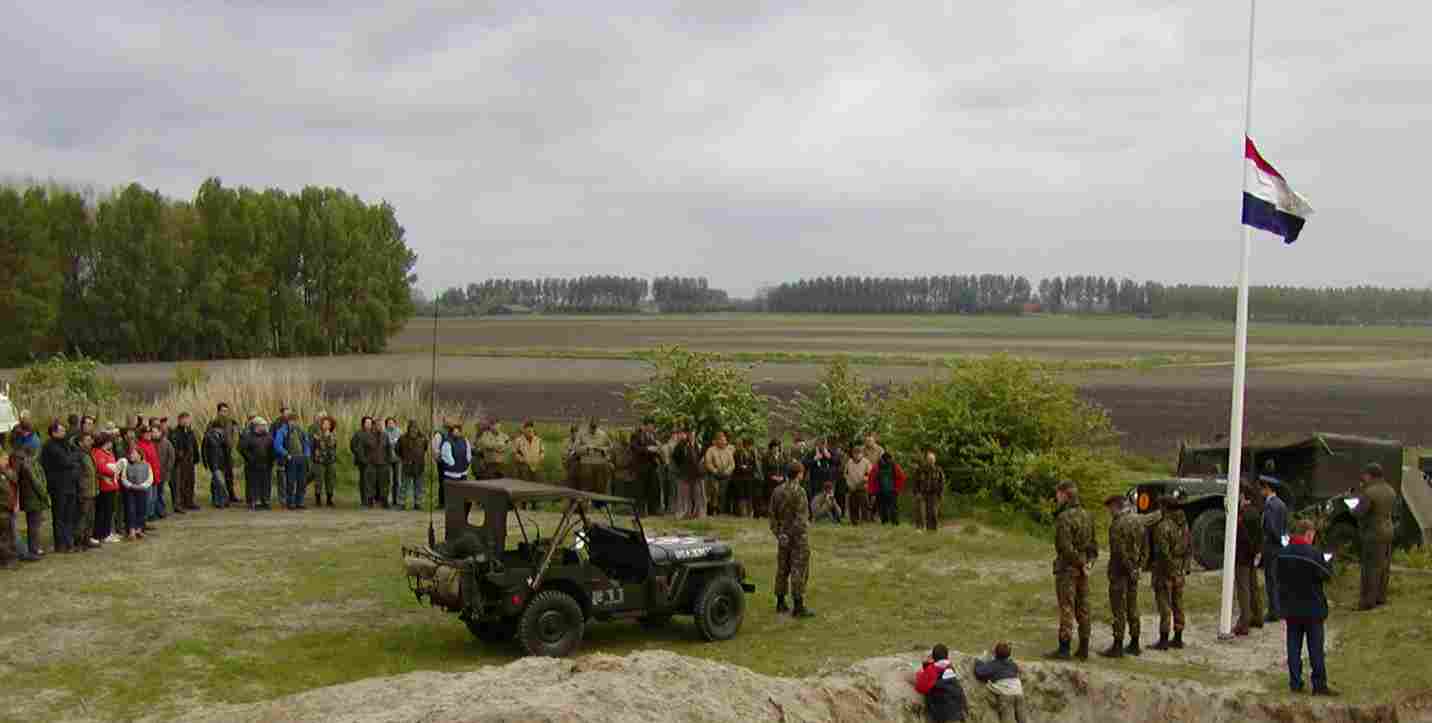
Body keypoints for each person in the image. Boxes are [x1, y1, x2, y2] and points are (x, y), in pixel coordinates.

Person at [1277, 518, 1338, 696]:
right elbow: (1326, 575)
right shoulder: (1314, 554)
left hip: (1291, 608)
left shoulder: (1283, 553)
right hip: (1312, 607)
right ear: (1309, 534)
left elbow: (1278, 578)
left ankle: (1295, 683)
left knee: (1293, 646)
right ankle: (1319, 684)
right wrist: (1329, 562)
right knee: (1315, 649)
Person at [1100, 494, 1156, 657]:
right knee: (1133, 606)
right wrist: (1139, 567)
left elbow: (1119, 552)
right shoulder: (1139, 521)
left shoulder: (1117, 525)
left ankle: (1117, 645)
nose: (1109, 511)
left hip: (1120, 572)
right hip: (1134, 573)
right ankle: (1134, 642)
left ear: (1115, 506)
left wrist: (1130, 568)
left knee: (1118, 609)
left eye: (1110, 508)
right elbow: (1146, 548)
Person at [1046, 481, 1096, 660]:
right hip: (1083, 569)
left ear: (1065, 495)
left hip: (1068, 569)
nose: (1056, 498)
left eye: (1058, 494)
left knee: (1067, 607)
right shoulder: (1088, 516)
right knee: (1083, 608)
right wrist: (1088, 562)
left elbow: (1064, 547)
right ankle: (1084, 648)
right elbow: (1093, 545)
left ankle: (1064, 648)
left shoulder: (1064, 518)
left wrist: (1079, 563)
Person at [1350, 462, 1398, 610]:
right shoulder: (1390, 490)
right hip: (1388, 531)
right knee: (1384, 566)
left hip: (1374, 533)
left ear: (1370, 475)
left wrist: (1352, 505)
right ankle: (1380, 598)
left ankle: (1367, 602)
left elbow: (1359, 512)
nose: (1363, 477)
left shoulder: (1369, 492)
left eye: (1365, 474)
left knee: (1370, 567)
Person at [770, 461, 813, 617]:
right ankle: (798, 606)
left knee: (782, 569)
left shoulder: (777, 491)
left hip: (782, 538)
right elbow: (801, 519)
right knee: (798, 569)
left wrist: (780, 535)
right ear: (799, 474)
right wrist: (790, 534)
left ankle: (780, 602)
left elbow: (772, 517)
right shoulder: (800, 492)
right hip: (797, 538)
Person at [1149, 494, 1191, 650]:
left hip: (1165, 572)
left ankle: (1164, 639)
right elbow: (1188, 548)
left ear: (1164, 508)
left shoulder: (1163, 526)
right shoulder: (1184, 525)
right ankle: (1178, 637)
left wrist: (1167, 570)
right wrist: (1184, 568)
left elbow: (1163, 553)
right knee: (1178, 604)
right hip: (1179, 571)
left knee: (1164, 605)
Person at [41, 421, 82, 553]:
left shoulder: (65, 445)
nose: (64, 433)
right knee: (59, 516)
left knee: (69, 515)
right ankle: (60, 544)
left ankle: (69, 542)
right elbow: (66, 461)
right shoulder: (50, 446)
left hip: (70, 484)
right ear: (53, 432)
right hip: (58, 486)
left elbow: (74, 457)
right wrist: (74, 458)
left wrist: (73, 458)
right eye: (62, 431)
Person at [1234, 486, 1265, 635]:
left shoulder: (1241, 514)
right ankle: (1257, 616)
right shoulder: (1256, 512)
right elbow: (1259, 534)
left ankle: (1244, 621)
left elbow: (1240, 536)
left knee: (1243, 589)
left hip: (1242, 556)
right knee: (1253, 587)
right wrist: (1257, 551)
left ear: (1243, 496)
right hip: (1253, 555)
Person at [913, 643, 967, 723]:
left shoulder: (931, 670)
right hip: (958, 710)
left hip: (944, 714)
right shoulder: (950, 668)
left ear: (933, 657)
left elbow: (920, 687)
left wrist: (925, 666)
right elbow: (939, 668)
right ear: (947, 656)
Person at [974, 642, 1025, 723]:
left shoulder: (993, 664)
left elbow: (979, 672)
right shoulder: (1012, 664)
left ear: (995, 653)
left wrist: (978, 661)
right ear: (1009, 654)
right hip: (1019, 693)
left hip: (1007, 695)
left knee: (1008, 719)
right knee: (1022, 719)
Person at [1260, 477, 1288, 621]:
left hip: (1271, 546)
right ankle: (1280, 609)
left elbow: (1271, 527)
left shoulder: (1270, 505)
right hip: (1280, 546)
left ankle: (1273, 611)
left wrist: (1273, 539)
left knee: (1271, 580)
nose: (1261, 491)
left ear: (1268, 488)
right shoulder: (1281, 504)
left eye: (1262, 488)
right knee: (1278, 579)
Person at [13, 443, 46, 560]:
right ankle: (34, 549)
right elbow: (35, 482)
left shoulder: (30, 464)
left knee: (35, 524)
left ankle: (35, 547)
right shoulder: (27, 465)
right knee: (34, 526)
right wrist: (44, 494)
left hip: (33, 498)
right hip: (32, 498)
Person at [275, 413, 312, 510]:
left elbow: (306, 443)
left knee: (302, 481)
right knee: (290, 482)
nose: (294, 423)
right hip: (290, 459)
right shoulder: (282, 431)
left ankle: (299, 502)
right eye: (292, 421)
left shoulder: (301, 430)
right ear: (288, 421)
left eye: (296, 421)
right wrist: (286, 454)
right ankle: (290, 502)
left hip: (302, 458)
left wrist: (306, 455)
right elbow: (277, 445)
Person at [92, 433, 122, 544]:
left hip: (112, 485)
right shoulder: (98, 453)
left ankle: (107, 532)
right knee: (104, 511)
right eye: (110, 441)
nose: (111, 444)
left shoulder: (108, 453)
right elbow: (101, 468)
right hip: (105, 486)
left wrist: (116, 469)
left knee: (109, 511)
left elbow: (114, 464)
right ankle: (102, 534)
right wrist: (114, 470)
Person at [628, 418, 662, 516]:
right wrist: (648, 449)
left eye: (653, 425)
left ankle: (653, 509)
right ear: (646, 425)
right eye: (651, 425)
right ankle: (640, 510)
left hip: (652, 466)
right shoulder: (636, 435)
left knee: (653, 488)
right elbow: (634, 448)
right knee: (640, 489)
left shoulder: (653, 436)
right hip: (640, 466)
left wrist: (658, 451)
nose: (653, 427)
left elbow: (656, 448)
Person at [240, 417, 275, 510]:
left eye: (265, 425)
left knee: (266, 483)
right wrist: (250, 459)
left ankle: (265, 501)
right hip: (253, 465)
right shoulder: (248, 436)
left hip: (266, 464)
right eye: (262, 425)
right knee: (254, 483)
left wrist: (272, 460)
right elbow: (242, 449)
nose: (265, 427)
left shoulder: (268, 436)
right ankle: (255, 501)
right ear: (256, 426)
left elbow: (272, 449)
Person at [170, 412, 201, 513]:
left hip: (190, 460)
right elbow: (175, 446)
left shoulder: (190, 432)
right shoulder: (175, 432)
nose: (187, 421)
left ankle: (189, 501)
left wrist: (196, 457)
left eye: (188, 419)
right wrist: (179, 456)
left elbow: (194, 444)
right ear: (179, 420)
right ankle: (179, 504)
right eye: (184, 419)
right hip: (180, 461)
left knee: (190, 481)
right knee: (180, 483)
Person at [573, 418, 612, 494]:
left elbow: (610, 447)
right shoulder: (581, 434)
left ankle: (599, 504)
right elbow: (575, 448)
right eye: (591, 428)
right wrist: (586, 448)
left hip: (600, 464)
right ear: (589, 426)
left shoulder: (603, 434)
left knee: (600, 488)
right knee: (586, 487)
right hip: (586, 464)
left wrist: (603, 449)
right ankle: (585, 504)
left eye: (595, 428)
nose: (593, 430)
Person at [866, 451, 906, 526]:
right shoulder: (890, 465)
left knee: (888, 508)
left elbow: (902, 477)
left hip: (887, 491)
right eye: (889, 459)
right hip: (885, 491)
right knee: (887, 508)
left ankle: (890, 523)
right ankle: (890, 523)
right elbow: (871, 479)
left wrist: (897, 489)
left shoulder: (883, 466)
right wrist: (872, 492)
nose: (890, 461)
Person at [671, 429, 703, 520]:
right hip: (684, 473)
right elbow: (675, 457)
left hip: (696, 473)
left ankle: (696, 513)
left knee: (696, 494)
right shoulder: (681, 445)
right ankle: (683, 512)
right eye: (690, 434)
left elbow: (699, 457)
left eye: (693, 434)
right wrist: (681, 467)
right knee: (684, 495)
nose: (691, 435)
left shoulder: (697, 445)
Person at [120, 446, 151, 540]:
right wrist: (130, 486)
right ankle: (131, 531)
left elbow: (150, 478)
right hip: (130, 491)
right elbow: (123, 478)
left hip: (142, 491)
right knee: (131, 510)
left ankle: (139, 530)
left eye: (133, 454)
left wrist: (142, 486)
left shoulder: (146, 465)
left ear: (139, 455)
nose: (131, 455)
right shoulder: (127, 465)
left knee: (141, 509)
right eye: (130, 454)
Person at [702, 431, 735, 518]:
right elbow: (708, 462)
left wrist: (727, 471)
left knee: (722, 493)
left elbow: (732, 464)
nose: (724, 442)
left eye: (725, 440)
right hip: (714, 475)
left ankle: (720, 511)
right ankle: (711, 510)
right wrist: (715, 471)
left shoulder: (728, 451)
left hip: (725, 475)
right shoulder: (711, 450)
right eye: (722, 440)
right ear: (717, 441)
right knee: (714, 492)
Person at [397, 420, 429, 511]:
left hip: (419, 465)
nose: (414, 429)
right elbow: (397, 449)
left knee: (418, 486)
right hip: (407, 465)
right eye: (412, 427)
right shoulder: (402, 438)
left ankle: (418, 503)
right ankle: (402, 503)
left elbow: (425, 448)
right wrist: (404, 458)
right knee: (404, 485)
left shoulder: (423, 438)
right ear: (408, 428)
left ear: (418, 428)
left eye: (415, 427)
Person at [912, 450, 946, 532]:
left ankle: (932, 530)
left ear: (934, 460)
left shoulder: (938, 470)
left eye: (932, 460)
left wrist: (940, 494)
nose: (931, 462)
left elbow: (942, 483)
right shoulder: (920, 470)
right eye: (929, 460)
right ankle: (919, 529)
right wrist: (916, 493)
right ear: (926, 460)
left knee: (933, 513)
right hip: (922, 494)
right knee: (921, 512)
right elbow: (915, 482)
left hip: (934, 494)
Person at [201, 419, 232, 509]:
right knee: (220, 482)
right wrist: (205, 463)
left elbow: (227, 450)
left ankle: (216, 500)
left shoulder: (223, 436)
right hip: (213, 463)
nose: (221, 430)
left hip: (222, 462)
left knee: (215, 482)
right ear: (215, 428)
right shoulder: (208, 436)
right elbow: (204, 450)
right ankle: (224, 500)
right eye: (219, 429)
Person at [214, 403, 241, 504]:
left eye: (226, 411)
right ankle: (219, 498)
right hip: (219, 453)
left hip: (228, 452)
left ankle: (231, 495)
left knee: (230, 475)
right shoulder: (214, 423)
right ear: (218, 412)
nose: (225, 413)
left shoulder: (231, 422)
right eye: (223, 411)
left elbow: (237, 432)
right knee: (218, 477)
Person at [76, 432, 99, 548]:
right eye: (88, 440)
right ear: (80, 443)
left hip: (93, 490)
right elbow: (78, 476)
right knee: (82, 518)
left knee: (91, 517)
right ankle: (79, 540)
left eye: (91, 440)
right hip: (84, 492)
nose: (91, 442)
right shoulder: (79, 456)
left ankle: (87, 538)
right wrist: (81, 490)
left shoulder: (89, 454)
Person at [311, 417, 339, 508]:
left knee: (330, 480)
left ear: (331, 426)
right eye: (324, 423)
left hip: (331, 461)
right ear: (321, 425)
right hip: (319, 461)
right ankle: (318, 499)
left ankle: (329, 499)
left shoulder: (334, 435)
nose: (326, 425)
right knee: (318, 481)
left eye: (328, 424)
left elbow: (334, 447)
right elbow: (313, 447)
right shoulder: (317, 435)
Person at [362, 416, 389, 508]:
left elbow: (389, 449)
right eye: (378, 425)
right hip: (371, 463)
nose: (380, 427)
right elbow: (362, 449)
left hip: (383, 463)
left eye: (381, 425)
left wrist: (388, 460)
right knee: (370, 483)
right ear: (374, 426)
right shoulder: (368, 436)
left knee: (384, 483)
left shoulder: (385, 436)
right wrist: (365, 460)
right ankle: (369, 501)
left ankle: (384, 501)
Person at [757, 440, 788, 519]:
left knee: (781, 498)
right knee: (770, 497)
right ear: (771, 448)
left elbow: (785, 469)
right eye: (774, 447)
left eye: (777, 447)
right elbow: (764, 470)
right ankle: (769, 513)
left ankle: (780, 514)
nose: (775, 449)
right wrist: (772, 476)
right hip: (770, 482)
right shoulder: (766, 457)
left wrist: (782, 477)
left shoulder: (783, 456)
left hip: (781, 481)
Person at [731, 437, 760, 518]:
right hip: (739, 477)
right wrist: (744, 467)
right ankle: (742, 512)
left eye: (750, 445)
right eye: (747, 445)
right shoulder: (737, 453)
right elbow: (737, 465)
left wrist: (747, 468)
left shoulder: (752, 453)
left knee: (749, 495)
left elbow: (754, 465)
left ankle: (749, 512)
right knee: (741, 495)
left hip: (749, 477)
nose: (749, 447)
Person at [805, 438, 840, 505]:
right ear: (816, 445)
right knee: (816, 499)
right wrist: (814, 459)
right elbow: (805, 463)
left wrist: (830, 457)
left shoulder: (830, 452)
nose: (821, 447)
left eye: (823, 445)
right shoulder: (812, 453)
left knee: (829, 499)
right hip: (816, 482)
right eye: (819, 445)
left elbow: (838, 462)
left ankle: (831, 513)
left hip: (829, 480)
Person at [844, 446, 872, 525]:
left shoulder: (866, 462)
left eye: (858, 453)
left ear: (861, 454)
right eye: (855, 453)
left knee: (864, 505)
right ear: (852, 454)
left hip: (862, 487)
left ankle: (865, 521)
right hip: (852, 487)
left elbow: (869, 475)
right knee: (853, 505)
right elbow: (846, 474)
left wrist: (861, 483)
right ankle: (854, 521)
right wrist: (849, 484)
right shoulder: (849, 462)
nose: (856, 455)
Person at [156, 418, 177, 517]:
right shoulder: (151, 443)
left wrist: (168, 468)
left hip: (163, 471)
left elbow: (171, 456)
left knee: (160, 492)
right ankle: (158, 511)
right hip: (154, 472)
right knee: (156, 493)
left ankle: (161, 511)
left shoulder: (166, 443)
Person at [351, 417, 372, 504]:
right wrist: (360, 456)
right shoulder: (358, 434)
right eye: (367, 423)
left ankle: (371, 499)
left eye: (370, 423)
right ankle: (364, 500)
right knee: (364, 481)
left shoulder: (373, 433)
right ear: (363, 423)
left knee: (372, 480)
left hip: (373, 461)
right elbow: (353, 446)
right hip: (362, 461)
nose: (368, 424)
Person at [384, 417, 403, 506]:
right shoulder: (384, 433)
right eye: (388, 423)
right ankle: (388, 499)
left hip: (398, 460)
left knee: (398, 481)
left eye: (392, 423)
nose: (390, 424)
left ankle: (397, 500)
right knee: (389, 481)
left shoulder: (399, 432)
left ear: (395, 424)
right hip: (388, 460)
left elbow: (401, 444)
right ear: (386, 424)